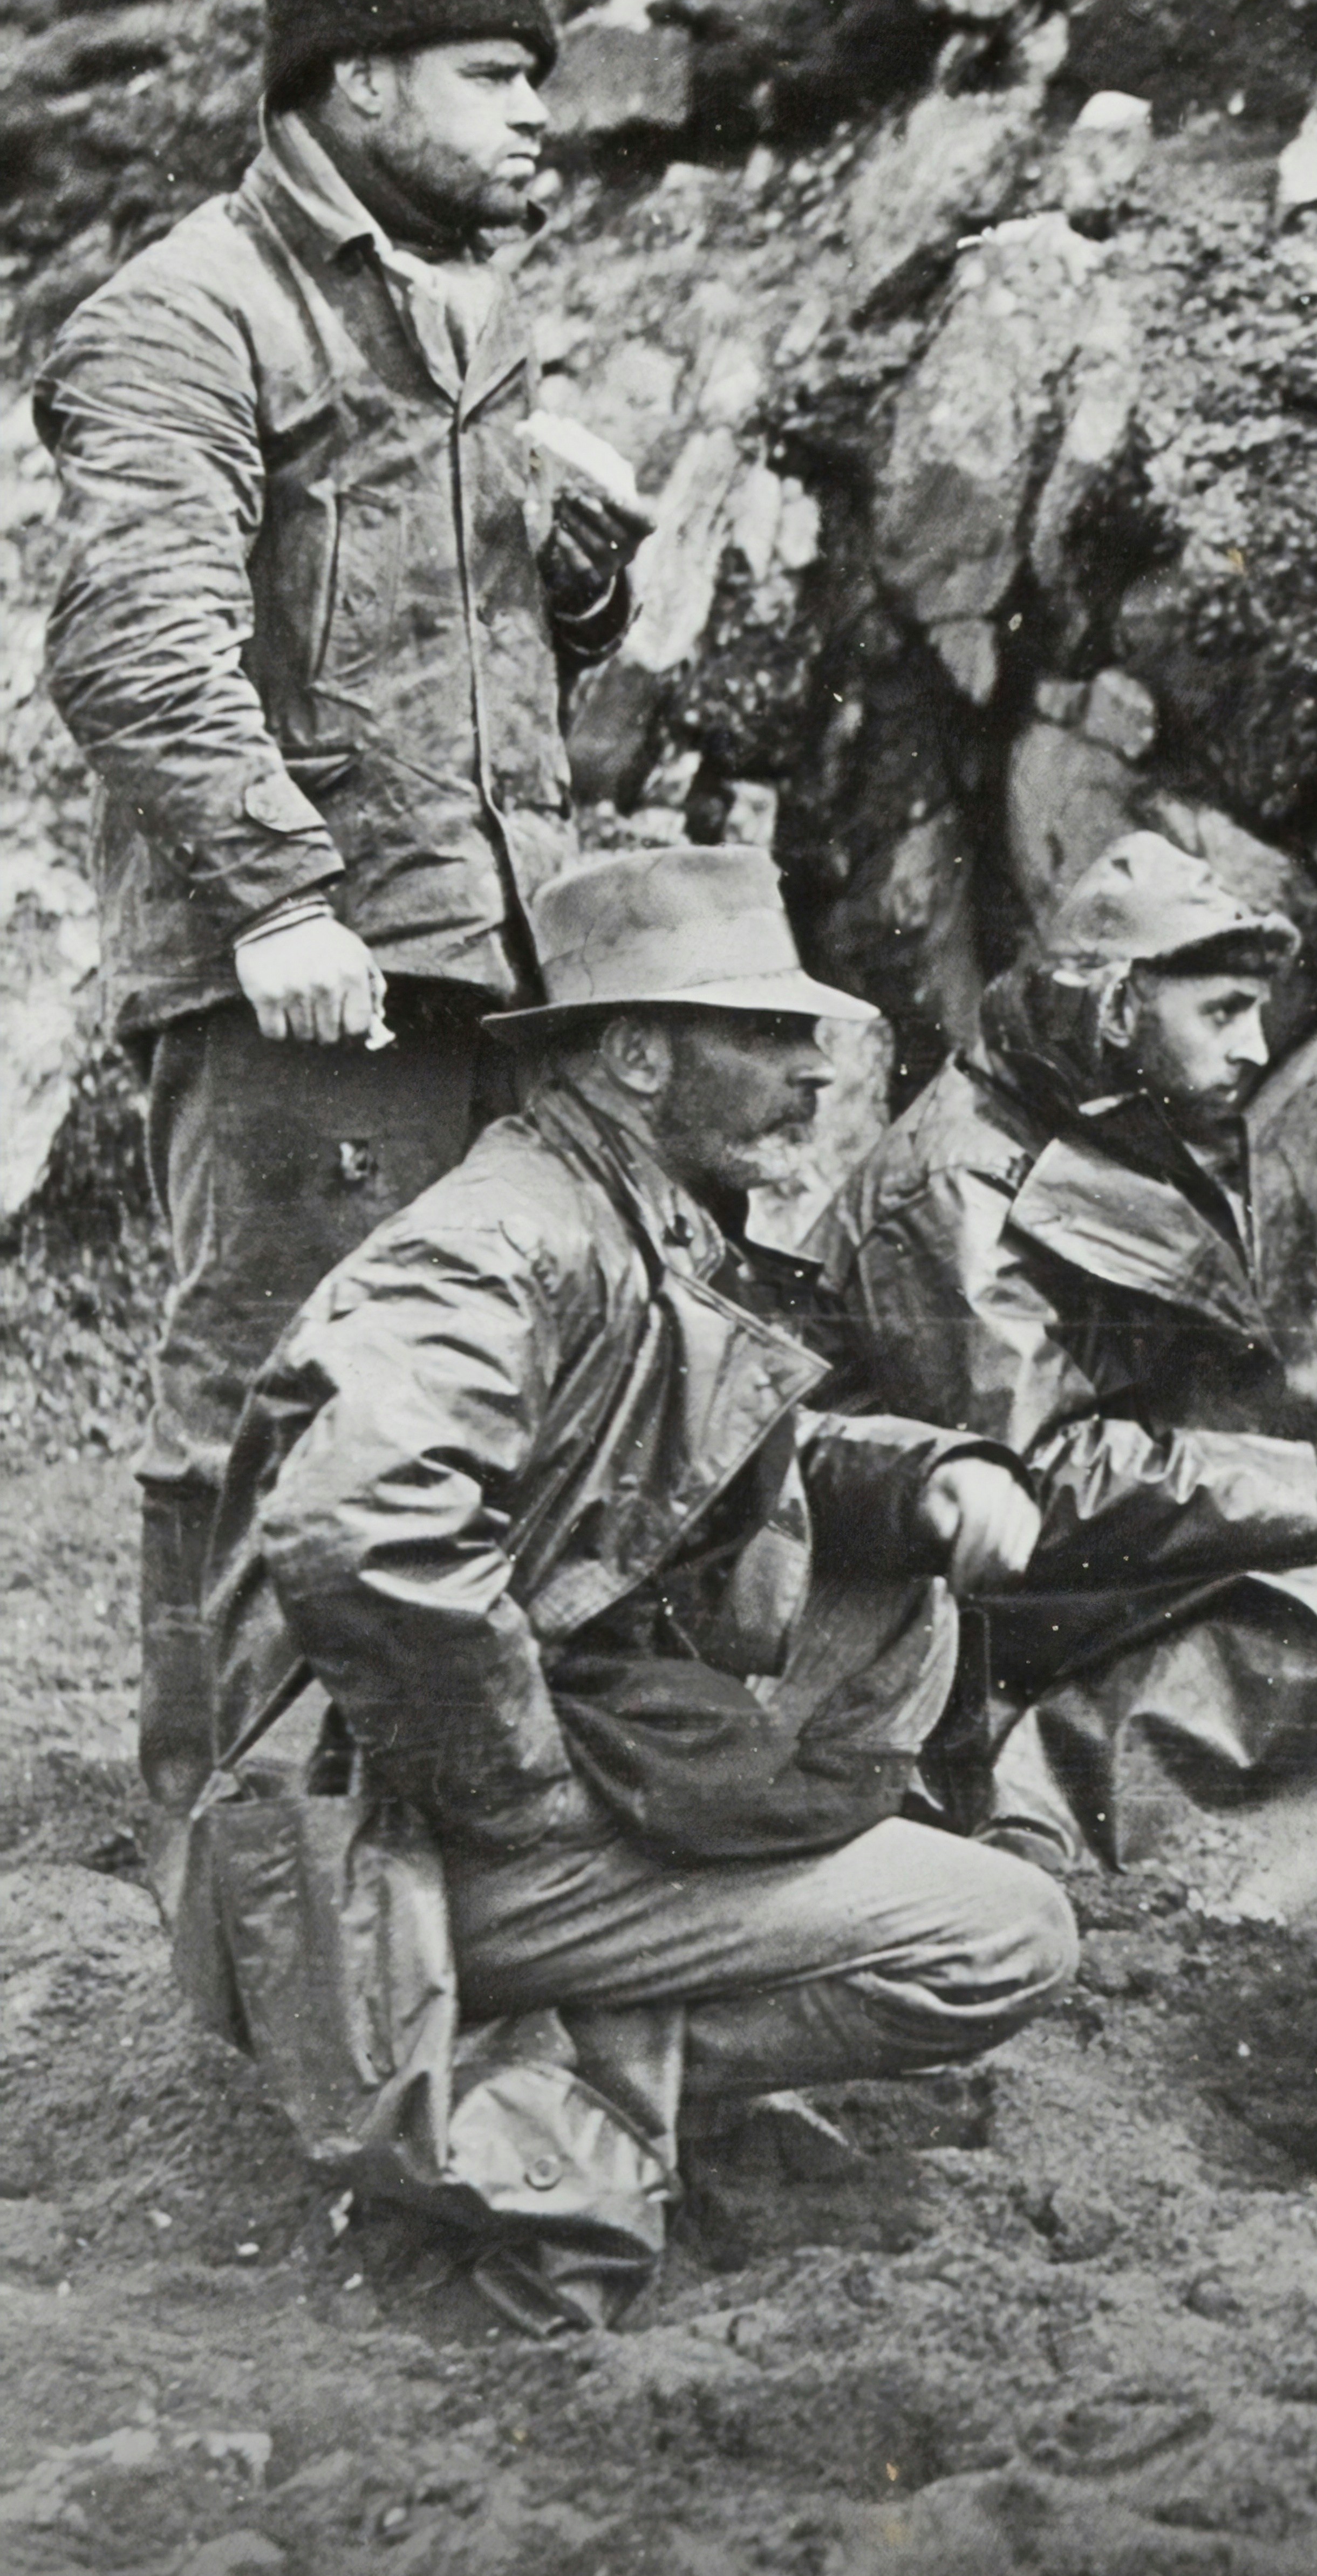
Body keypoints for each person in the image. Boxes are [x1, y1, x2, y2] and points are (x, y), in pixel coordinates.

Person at [178, 849, 1077, 2308]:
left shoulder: (620, 1211)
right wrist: (527, 1790)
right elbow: (364, 1527)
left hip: (464, 1787)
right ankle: (568, 2071)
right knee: (1004, 1939)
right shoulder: (498, 1245)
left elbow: (718, 1443)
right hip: (380, 1849)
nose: (811, 1073)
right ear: (640, 1054)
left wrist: (927, 1478)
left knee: (903, 1585)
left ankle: (588, 2024)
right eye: (767, 1035)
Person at [39, 0, 642, 1824]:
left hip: (484, 962)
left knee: (463, 1411)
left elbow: (438, 645)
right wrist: (279, 893)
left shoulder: (463, 307)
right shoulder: (183, 315)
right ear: (354, 81)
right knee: (267, 1414)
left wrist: (577, 574)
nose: (537, 110)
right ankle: (235, 1875)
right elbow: (141, 632)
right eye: (493, 73)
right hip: (304, 980)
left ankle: (420, 1860)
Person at [821, 831, 1317, 1865]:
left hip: (1099, 1560)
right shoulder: (957, 1182)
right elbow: (1028, 1481)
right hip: (956, 1624)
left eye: (1254, 1012)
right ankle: (1055, 1823)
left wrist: (1302, 1378)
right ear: (1116, 1004)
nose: (1254, 1048)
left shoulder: (1120, 1118)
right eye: (1221, 1012)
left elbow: (1148, 1412)